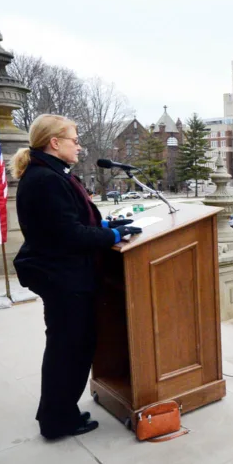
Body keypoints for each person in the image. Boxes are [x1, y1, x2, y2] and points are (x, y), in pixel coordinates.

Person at [12, 114, 141, 440]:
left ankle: (57, 412)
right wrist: (111, 235)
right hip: (64, 278)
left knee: (67, 347)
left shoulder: (50, 173)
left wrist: (105, 227)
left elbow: (68, 222)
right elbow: (68, 235)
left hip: (65, 275)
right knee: (68, 350)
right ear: (55, 143)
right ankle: (57, 420)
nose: (79, 146)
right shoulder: (46, 179)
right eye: (74, 140)